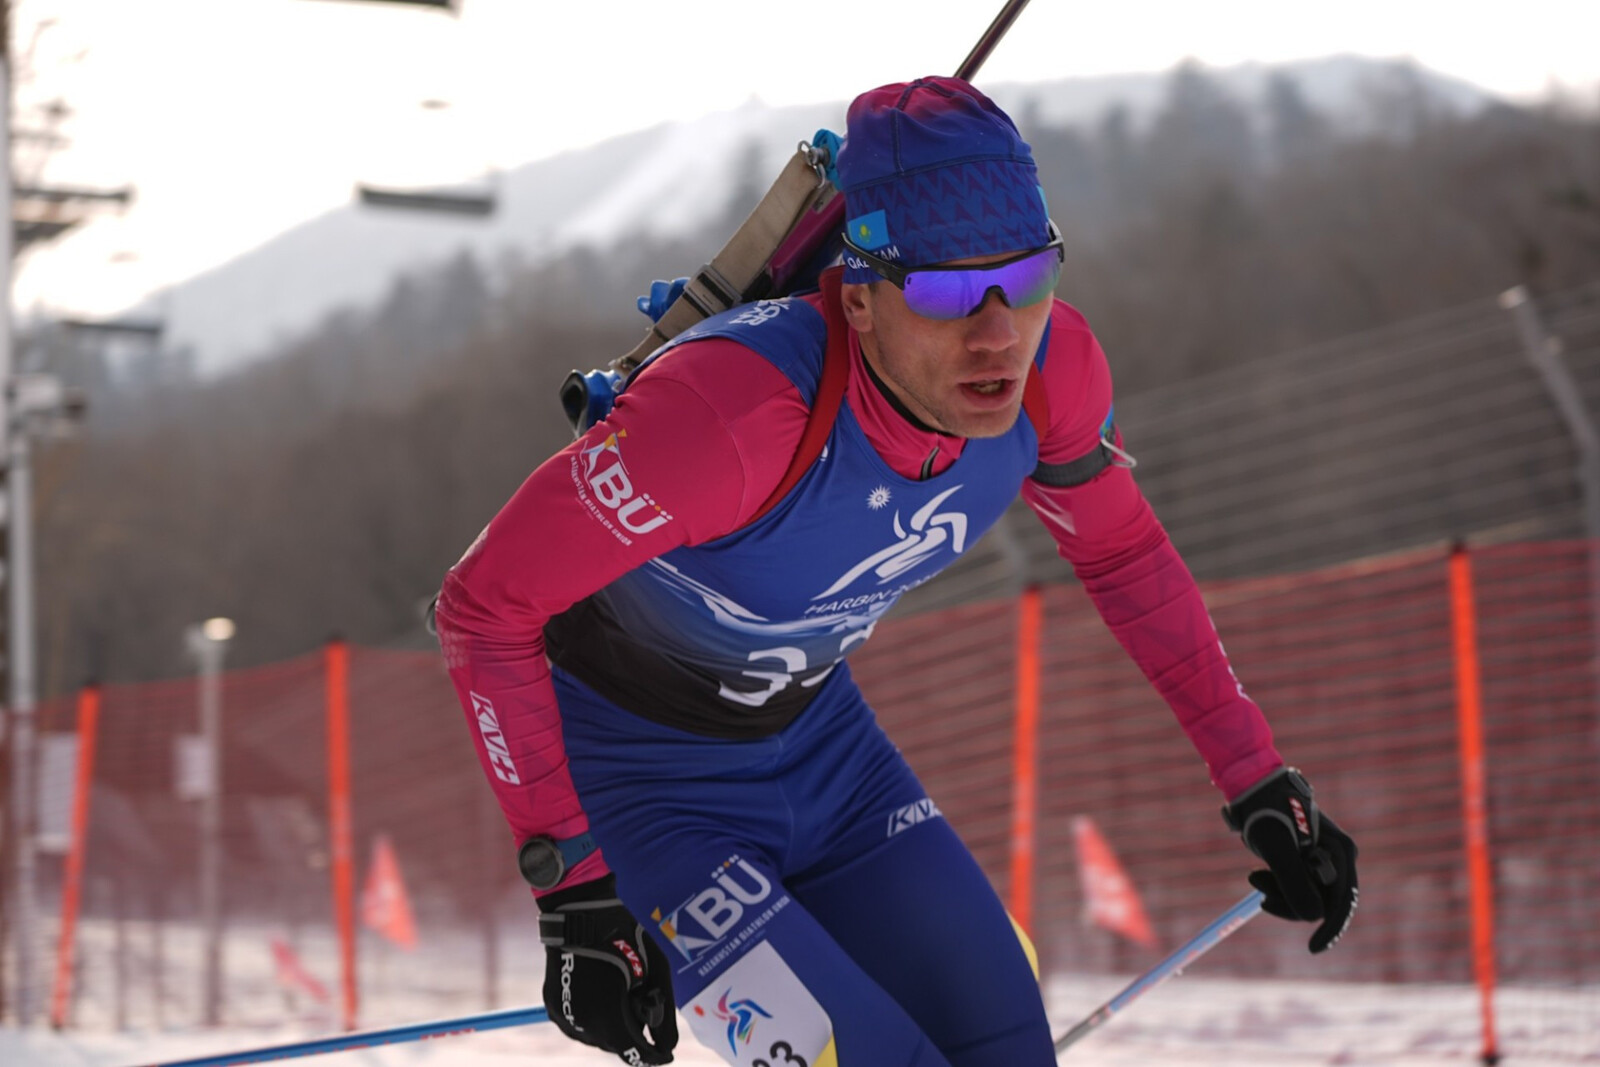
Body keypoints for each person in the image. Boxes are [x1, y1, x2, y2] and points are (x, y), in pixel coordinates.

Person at [433, 76, 1358, 1067]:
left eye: (1026, 278)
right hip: (643, 791)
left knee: (1008, 1046)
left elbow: (1123, 554)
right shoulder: (733, 417)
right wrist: (573, 887)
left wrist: (1256, 774)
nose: (997, 335)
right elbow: (480, 608)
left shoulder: (1055, 374)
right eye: (948, 293)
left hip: (830, 760)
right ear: (860, 299)